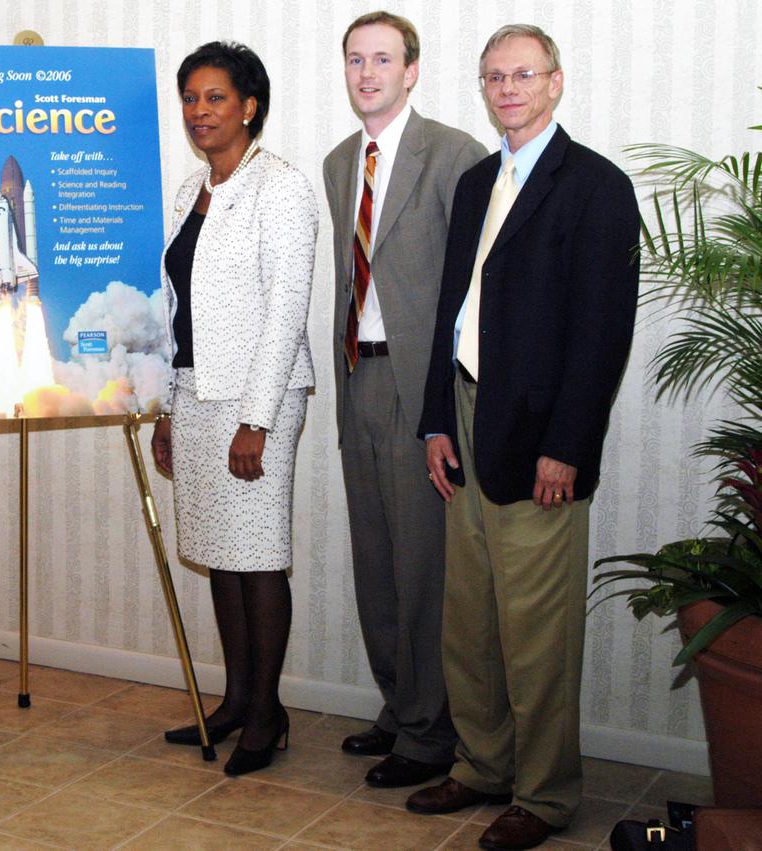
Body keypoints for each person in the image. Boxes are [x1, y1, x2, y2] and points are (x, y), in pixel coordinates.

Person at [409, 25, 639, 850]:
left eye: (522, 74)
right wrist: (437, 416)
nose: (507, 88)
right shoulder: (475, 182)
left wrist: (569, 444)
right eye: (493, 76)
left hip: (541, 436)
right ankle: (480, 764)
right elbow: (451, 311)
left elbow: (602, 331)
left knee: (536, 628)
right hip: (467, 419)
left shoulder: (597, 187)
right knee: (467, 617)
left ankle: (542, 795)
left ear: (555, 83)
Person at [322, 12, 487, 790]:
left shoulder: (455, 155)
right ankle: (401, 703)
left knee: (424, 565)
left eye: (382, 59)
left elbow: (468, 290)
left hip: (420, 384)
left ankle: (430, 732)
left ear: (412, 70)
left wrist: (443, 410)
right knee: (376, 559)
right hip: (356, 374)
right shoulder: (337, 162)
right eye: (355, 59)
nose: (367, 73)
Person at [151, 41, 317, 777]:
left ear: (249, 106)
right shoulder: (191, 189)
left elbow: (286, 312)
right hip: (194, 392)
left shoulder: (280, 187)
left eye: (215, 97)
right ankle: (235, 699)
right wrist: (162, 405)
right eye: (190, 98)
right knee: (220, 554)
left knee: (257, 558)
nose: (199, 111)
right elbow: (172, 307)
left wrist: (257, 418)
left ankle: (267, 713)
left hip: (258, 398)